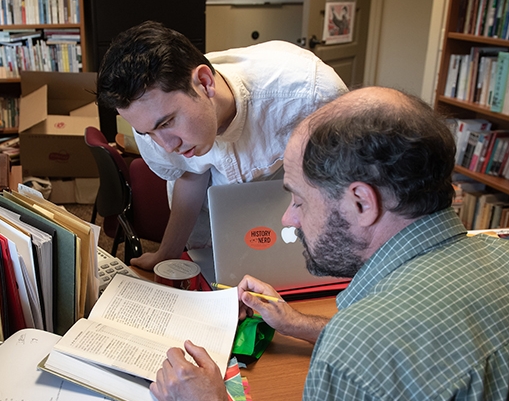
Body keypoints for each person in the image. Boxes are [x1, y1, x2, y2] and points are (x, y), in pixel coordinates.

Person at [149, 87, 509, 401]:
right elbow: (427, 351)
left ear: (361, 202)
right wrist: (300, 324)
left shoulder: (359, 350)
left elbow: (382, 353)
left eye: (299, 199)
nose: (289, 218)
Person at [96, 21, 347, 271]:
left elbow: (334, 188)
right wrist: (166, 253)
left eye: (168, 123)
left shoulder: (311, 95)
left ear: (205, 83)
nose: (167, 146)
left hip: (290, 213)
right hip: (212, 225)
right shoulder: (149, 115)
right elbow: (192, 174)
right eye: (147, 132)